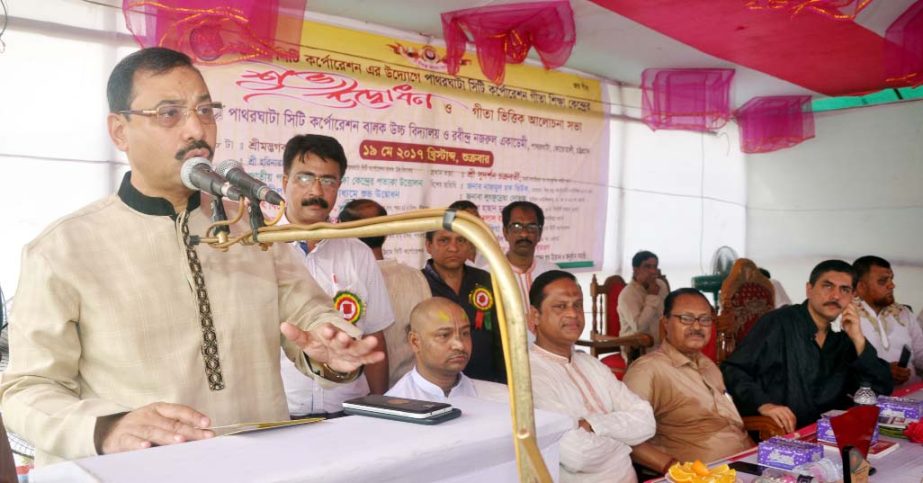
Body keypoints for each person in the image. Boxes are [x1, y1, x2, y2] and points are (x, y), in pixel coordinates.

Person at [0, 47, 381, 465]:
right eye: (169, 113)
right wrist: (107, 426)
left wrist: (332, 352)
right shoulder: (63, 249)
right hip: (140, 471)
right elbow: (27, 389)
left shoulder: (250, 232)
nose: (196, 130)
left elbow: (309, 317)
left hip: (259, 469)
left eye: (205, 111)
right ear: (119, 130)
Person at [280, 134, 394, 416]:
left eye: (328, 180)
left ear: (339, 187)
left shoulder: (358, 253)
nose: (316, 190)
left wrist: (379, 408)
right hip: (279, 415)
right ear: (285, 182)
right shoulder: (258, 248)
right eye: (305, 178)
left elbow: (374, 338)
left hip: (348, 411)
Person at [721, 260, 893, 433]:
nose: (835, 296)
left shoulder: (843, 337)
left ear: (852, 297)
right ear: (809, 289)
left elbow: (881, 386)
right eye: (827, 286)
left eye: (844, 290)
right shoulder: (778, 322)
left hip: (830, 434)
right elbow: (733, 370)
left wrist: (858, 338)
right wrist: (763, 404)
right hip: (780, 435)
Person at [528, 270, 655, 483]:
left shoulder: (591, 364)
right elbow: (577, 455)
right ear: (535, 316)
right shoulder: (530, 375)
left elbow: (647, 421)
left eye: (577, 305)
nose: (573, 314)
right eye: (561, 306)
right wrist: (626, 444)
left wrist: (594, 424)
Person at [624, 288, 753, 474]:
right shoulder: (648, 370)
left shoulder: (709, 366)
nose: (697, 327)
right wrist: (676, 469)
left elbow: (729, 424)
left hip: (746, 467)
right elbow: (625, 437)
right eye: (686, 318)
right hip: (701, 475)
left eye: (705, 319)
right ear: (666, 322)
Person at [339, 199, 432, 386]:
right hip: (407, 389)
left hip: (359, 390)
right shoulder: (415, 276)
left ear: (342, 228)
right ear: (386, 231)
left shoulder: (342, 277)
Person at [422, 229, 506, 383]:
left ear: (469, 245)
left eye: (461, 240)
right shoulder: (417, 282)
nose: (453, 248)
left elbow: (500, 334)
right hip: (438, 384)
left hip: (487, 381)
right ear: (428, 245)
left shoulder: (484, 279)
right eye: (444, 240)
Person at [386, 298, 507, 402]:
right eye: (444, 335)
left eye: (465, 333)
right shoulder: (393, 410)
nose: (459, 345)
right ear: (415, 342)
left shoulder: (501, 398)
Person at [853, 256, 923, 387]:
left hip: (911, 396)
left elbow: (920, 354)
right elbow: (842, 368)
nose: (892, 285)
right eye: (882, 281)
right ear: (861, 287)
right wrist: (882, 370)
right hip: (869, 398)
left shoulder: (904, 313)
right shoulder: (846, 317)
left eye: (891, 279)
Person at [498, 201, 558, 311]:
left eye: (531, 227)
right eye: (517, 226)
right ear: (505, 232)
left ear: (539, 234)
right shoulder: (489, 274)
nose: (524, 234)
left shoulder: (553, 273)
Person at [618, 251, 668, 345]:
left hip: (663, 345)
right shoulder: (627, 294)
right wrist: (652, 296)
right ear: (636, 269)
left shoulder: (661, 285)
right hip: (637, 348)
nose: (653, 271)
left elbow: (667, 315)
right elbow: (639, 328)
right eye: (647, 266)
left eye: (655, 267)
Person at [448, 200, 483, 265]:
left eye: (477, 218)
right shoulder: (444, 258)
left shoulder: (490, 253)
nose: (476, 223)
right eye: (469, 219)